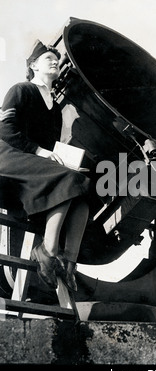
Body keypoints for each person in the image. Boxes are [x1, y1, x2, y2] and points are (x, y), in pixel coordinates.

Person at [0, 40, 91, 292]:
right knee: (66, 178)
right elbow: (5, 130)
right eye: (47, 58)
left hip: (34, 164)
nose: (54, 61)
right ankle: (47, 251)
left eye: (55, 58)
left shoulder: (55, 109)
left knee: (83, 193)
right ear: (33, 66)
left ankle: (67, 264)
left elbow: (52, 146)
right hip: (8, 158)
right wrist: (41, 152)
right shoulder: (21, 90)